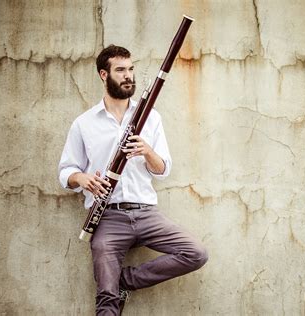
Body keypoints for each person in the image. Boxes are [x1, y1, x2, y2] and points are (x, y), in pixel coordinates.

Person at [58, 45, 208, 315]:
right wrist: (83, 179)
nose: (128, 76)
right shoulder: (84, 123)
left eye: (130, 69)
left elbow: (163, 168)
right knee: (106, 298)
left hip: (147, 213)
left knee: (196, 253)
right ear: (103, 75)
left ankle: (122, 281)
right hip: (108, 218)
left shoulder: (150, 117)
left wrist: (147, 151)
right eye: (120, 70)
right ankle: (111, 287)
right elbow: (65, 172)